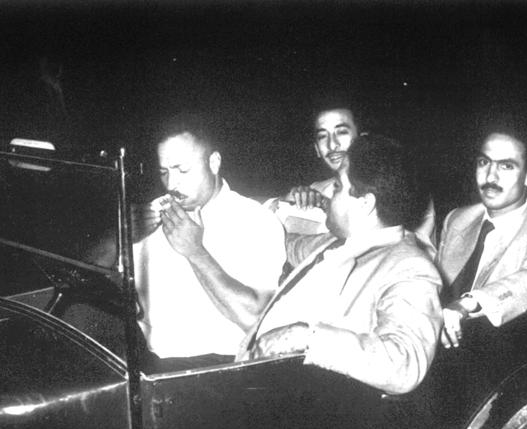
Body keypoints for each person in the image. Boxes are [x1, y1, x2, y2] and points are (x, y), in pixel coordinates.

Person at [238, 134, 442, 395]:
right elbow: (280, 241)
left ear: (365, 203)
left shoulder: (410, 267)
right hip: (251, 384)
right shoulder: (333, 243)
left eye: (336, 187)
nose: (327, 197)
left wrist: (305, 338)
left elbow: (405, 363)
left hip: (305, 405)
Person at [133, 113, 287, 361]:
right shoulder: (152, 215)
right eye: (163, 172)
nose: (171, 184)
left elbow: (255, 319)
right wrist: (119, 235)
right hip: (148, 364)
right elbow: (85, 281)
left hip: (219, 369)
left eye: (182, 170)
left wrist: (196, 252)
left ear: (214, 163)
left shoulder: (256, 220)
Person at [436, 114, 527, 348]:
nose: (490, 176)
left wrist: (468, 303)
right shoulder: (457, 218)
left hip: (494, 353)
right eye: (484, 162)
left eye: (506, 166)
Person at [268, 105, 437, 250]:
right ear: (317, 149)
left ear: (363, 139)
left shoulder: (403, 189)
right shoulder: (316, 190)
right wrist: (285, 200)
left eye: (341, 132)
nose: (332, 145)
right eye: (322, 136)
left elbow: (411, 253)